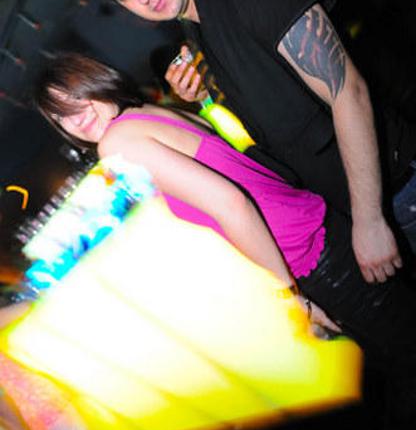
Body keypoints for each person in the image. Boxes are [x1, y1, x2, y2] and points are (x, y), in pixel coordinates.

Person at [67, 0, 416, 286]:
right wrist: (202, 99)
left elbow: (348, 91)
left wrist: (370, 218)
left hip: (395, 192)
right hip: (345, 210)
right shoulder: (195, 25)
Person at [33, 53, 416, 373]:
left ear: (96, 80)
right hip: (321, 228)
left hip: (306, 261)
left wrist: (291, 298)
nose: (77, 117)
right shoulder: (150, 112)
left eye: (76, 98)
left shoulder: (116, 142)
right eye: (62, 115)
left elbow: (231, 203)